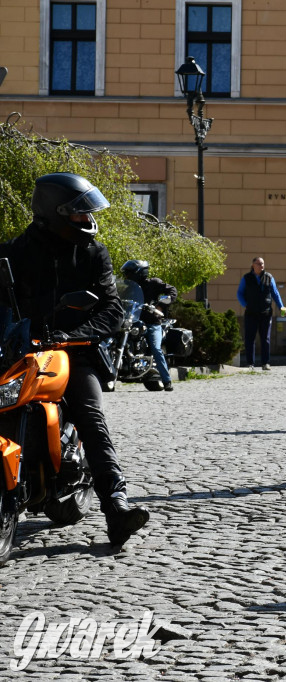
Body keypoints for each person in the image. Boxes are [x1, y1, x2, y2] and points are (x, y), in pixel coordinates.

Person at [0, 173, 149, 548]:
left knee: (90, 415)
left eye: (88, 213)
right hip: (21, 351)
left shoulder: (93, 253)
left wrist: (73, 335)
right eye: (81, 213)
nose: (88, 220)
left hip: (74, 352)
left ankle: (116, 506)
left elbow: (112, 308)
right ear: (56, 212)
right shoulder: (13, 253)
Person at [120, 259, 178, 391]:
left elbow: (172, 291)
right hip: (134, 323)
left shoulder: (154, 283)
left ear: (139, 273)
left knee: (156, 348)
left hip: (152, 323)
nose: (126, 276)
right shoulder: (129, 289)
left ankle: (167, 381)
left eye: (129, 273)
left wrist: (161, 305)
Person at [237, 256, 286, 371]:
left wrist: (281, 306)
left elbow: (275, 293)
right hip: (251, 313)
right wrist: (245, 304)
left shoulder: (269, 277)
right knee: (250, 338)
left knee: (265, 338)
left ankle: (265, 363)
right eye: (259, 264)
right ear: (253, 265)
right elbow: (239, 293)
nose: (261, 266)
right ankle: (250, 364)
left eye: (263, 264)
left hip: (266, 312)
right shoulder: (247, 278)